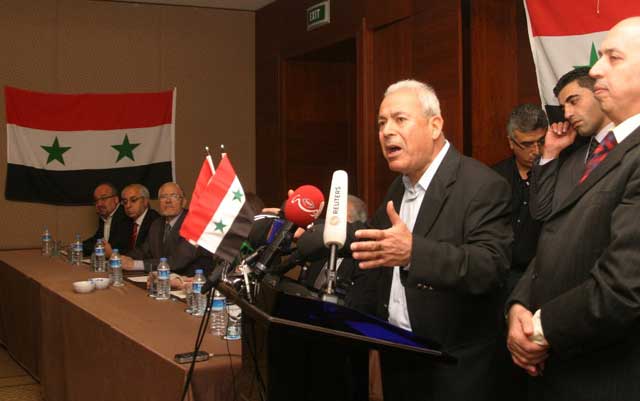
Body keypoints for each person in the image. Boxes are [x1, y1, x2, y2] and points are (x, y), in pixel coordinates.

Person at [350, 79, 512, 401]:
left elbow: (489, 267)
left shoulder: (482, 185)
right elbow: (375, 246)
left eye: (400, 119)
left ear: (435, 125)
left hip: (453, 371)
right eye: (381, 123)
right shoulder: (398, 188)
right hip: (399, 359)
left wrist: (414, 254)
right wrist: (321, 231)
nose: (386, 132)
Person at [506, 17, 640, 400]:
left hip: (605, 375)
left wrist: (538, 330)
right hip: (561, 371)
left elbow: (623, 286)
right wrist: (518, 305)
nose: (595, 70)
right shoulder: (591, 155)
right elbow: (554, 237)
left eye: (614, 57)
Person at [491, 104, 547, 400]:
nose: (536, 151)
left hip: (541, 285)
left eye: (541, 141)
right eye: (527, 144)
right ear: (511, 142)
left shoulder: (558, 174)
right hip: (497, 286)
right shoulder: (493, 179)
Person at [529, 67, 613, 220]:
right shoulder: (572, 159)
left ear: (600, 93)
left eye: (574, 101)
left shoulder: (630, 146)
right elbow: (541, 212)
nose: (567, 114)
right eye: (563, 108)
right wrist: (550, 153)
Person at [120, 182, 213, 276]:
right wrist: (122, 259)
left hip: (190, 279)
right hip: (162, 279)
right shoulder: (157, 224)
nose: (168, 201)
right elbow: (144, 250)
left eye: (174, 196)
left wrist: (135, 264)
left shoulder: (195, 223)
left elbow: (178, 261)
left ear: (184, 202)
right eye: (163, 197)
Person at [82, 182, 132, 256]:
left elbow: (115, 247)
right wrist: (77, 246)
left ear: (116, 199)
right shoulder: (104, 216)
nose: (99, 204)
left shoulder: (125, 215)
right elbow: (97, 240)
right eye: (96, 200)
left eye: (103, 198)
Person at [115, 184, 160, 258]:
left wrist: (115, 254)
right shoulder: (124, 222)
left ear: (145, 201)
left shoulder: (155, 221)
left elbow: (146, 253)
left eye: (133, 200)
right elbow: (120, 248)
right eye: (125, 202)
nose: (128, 206)